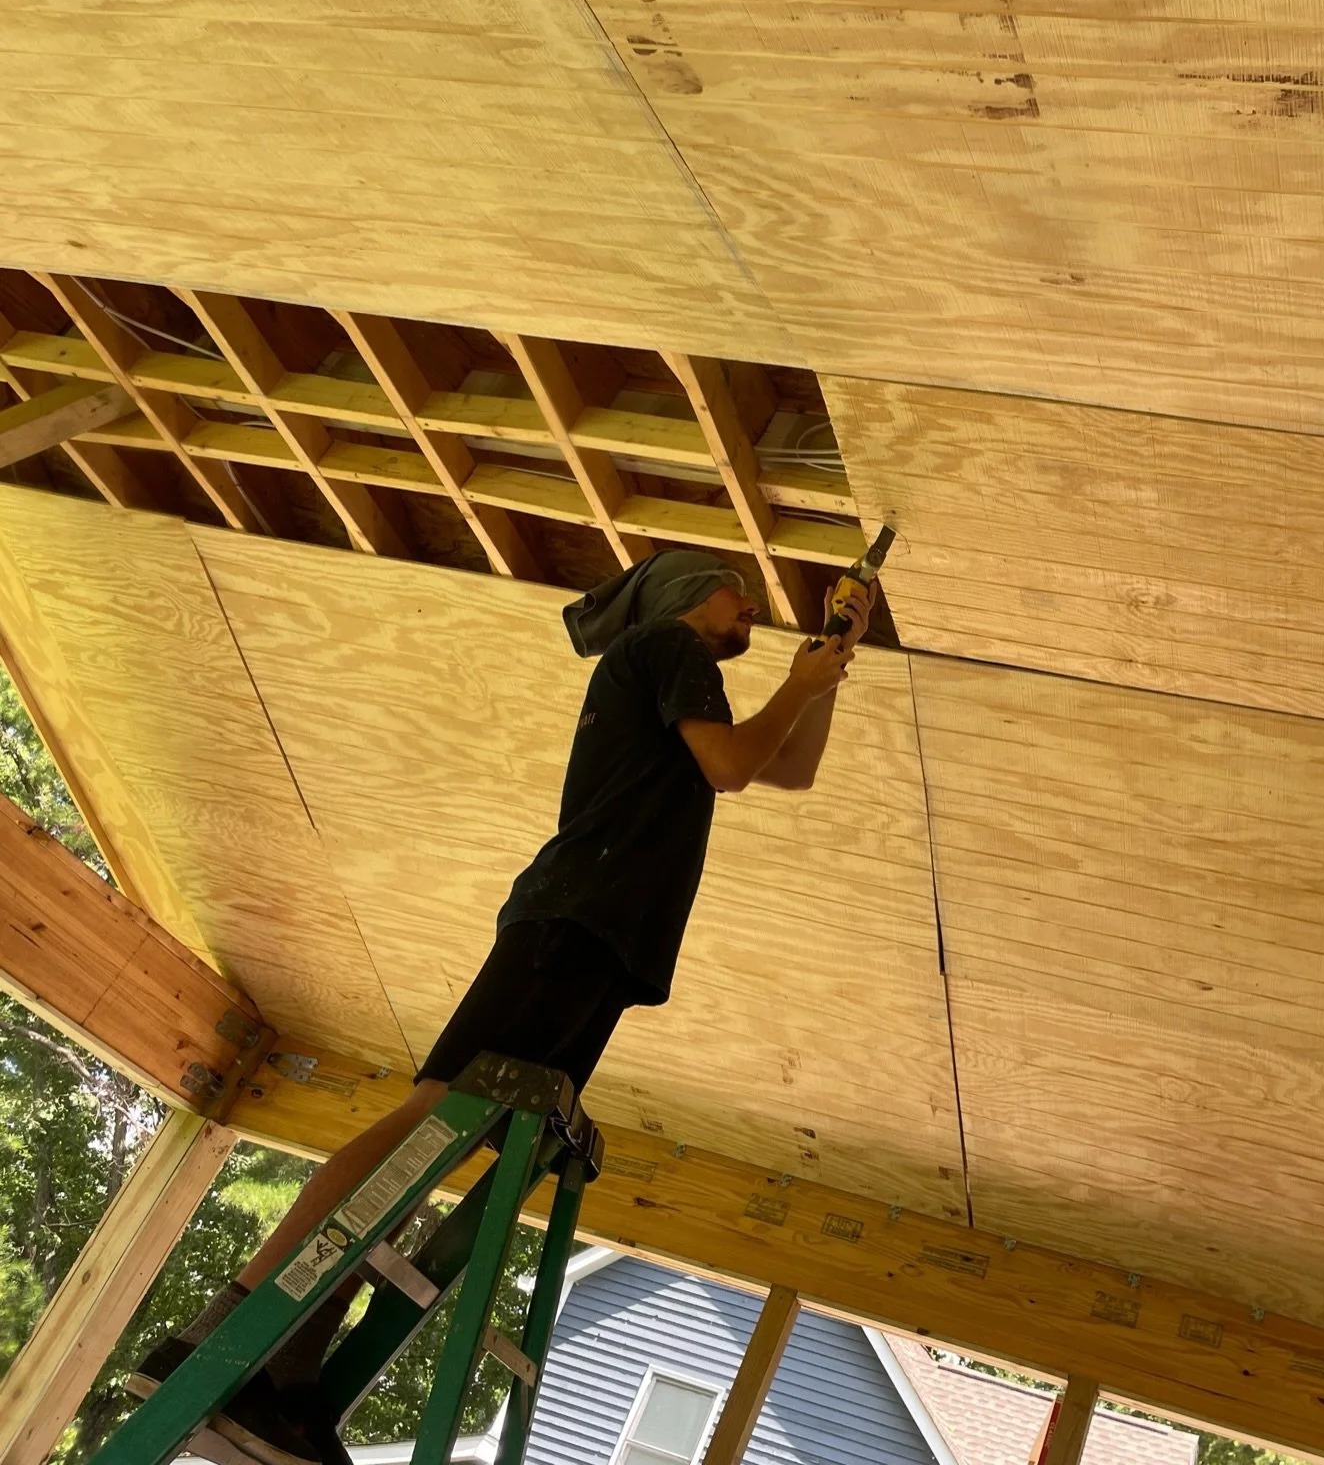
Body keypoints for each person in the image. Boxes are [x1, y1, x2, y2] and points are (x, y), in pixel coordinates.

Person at [139, 549, 873, 1464]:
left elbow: (785, 769)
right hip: (574, 917)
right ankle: (229, 1325)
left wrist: (828, 670)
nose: (752, 605)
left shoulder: (674, 673)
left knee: (444, 1128)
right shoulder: (663, 644)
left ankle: (289, 1364)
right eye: (738, 590)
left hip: (602, 937)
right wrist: (800, 680)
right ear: (690, 594)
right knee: (428, 1113)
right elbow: (729, 767)